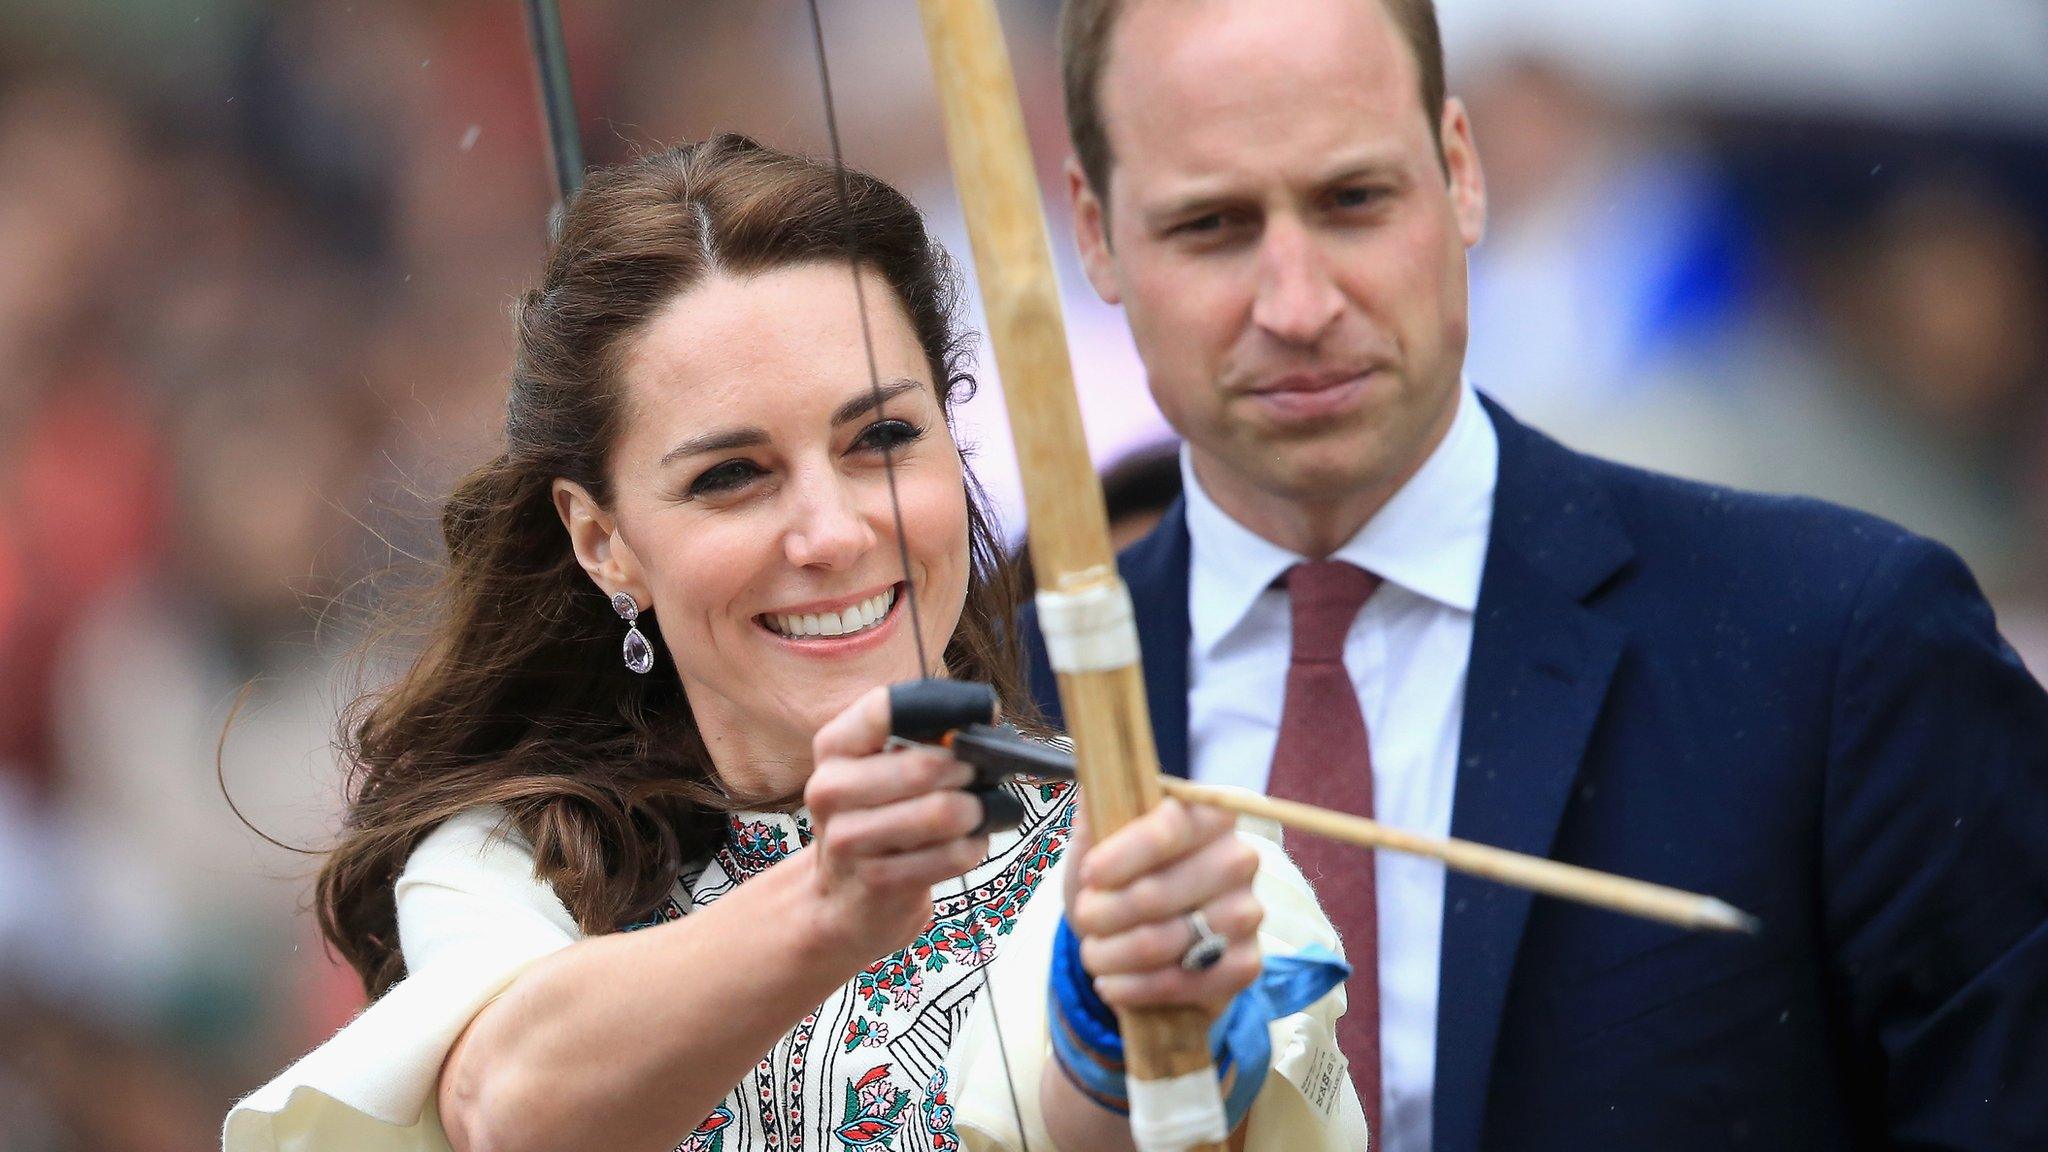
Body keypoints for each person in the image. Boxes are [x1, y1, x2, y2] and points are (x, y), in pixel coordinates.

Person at [1021, 2, 2048, 1151]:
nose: (1297, 305)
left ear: (1459, 172)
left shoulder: (1835, 641)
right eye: (1209, 225)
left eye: (1352, 201)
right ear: (1094, 234)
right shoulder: (1017, 710)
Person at [223, 134, 1365, 1152]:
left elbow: (1123, 1112)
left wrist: (1122, 1016)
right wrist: (833, 900)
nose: (832, 532)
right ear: (602, 539)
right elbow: (509, 1108)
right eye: (731, 475)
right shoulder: (513, 866)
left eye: (881, 438)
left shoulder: (1148, 860)